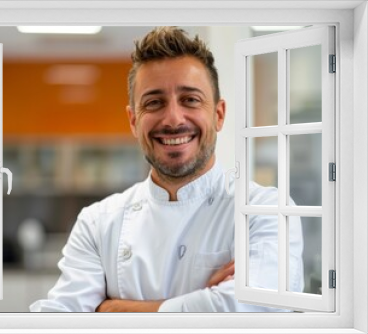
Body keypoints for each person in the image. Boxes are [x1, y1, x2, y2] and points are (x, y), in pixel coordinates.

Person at [30, 26, 304, 312]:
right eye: (154, 103)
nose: (173, 119)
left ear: (219, 114)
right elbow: (58, 321)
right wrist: (204, 305)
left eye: (190, 100)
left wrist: (112, 310)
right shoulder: (98, 223)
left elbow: (257, 310)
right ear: (134, 121)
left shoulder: (265, 211)